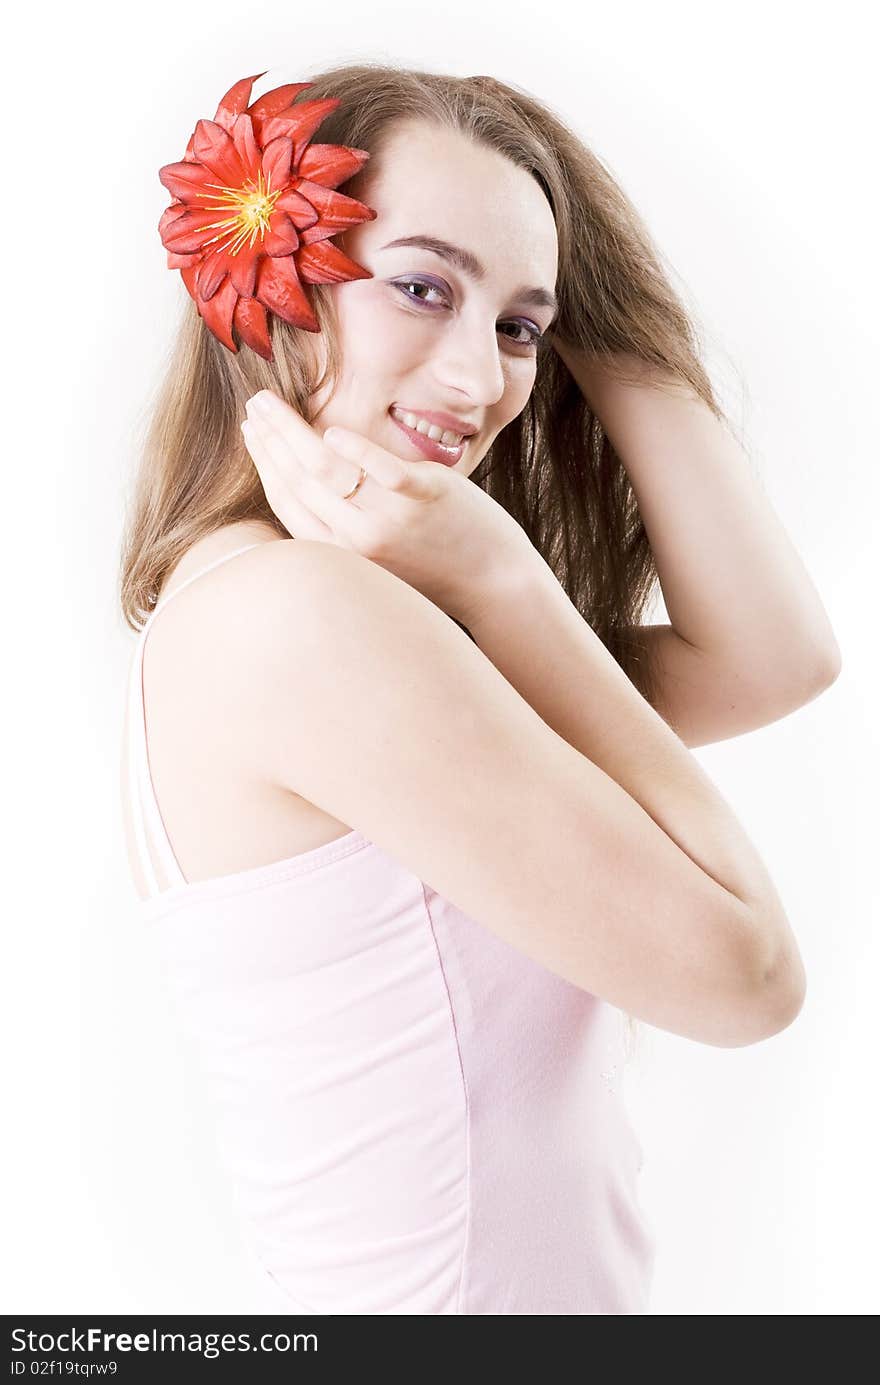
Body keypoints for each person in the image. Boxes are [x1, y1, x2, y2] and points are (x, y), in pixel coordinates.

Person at [119, 64, 838, 1315]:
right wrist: (508, 582)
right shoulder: (297, 622)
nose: (477, 380)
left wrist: (594, 307)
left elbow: (772, 658)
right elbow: (750, 974)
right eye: (419, 286)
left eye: (517, 327)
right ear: (260, 285)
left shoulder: (304, 612)